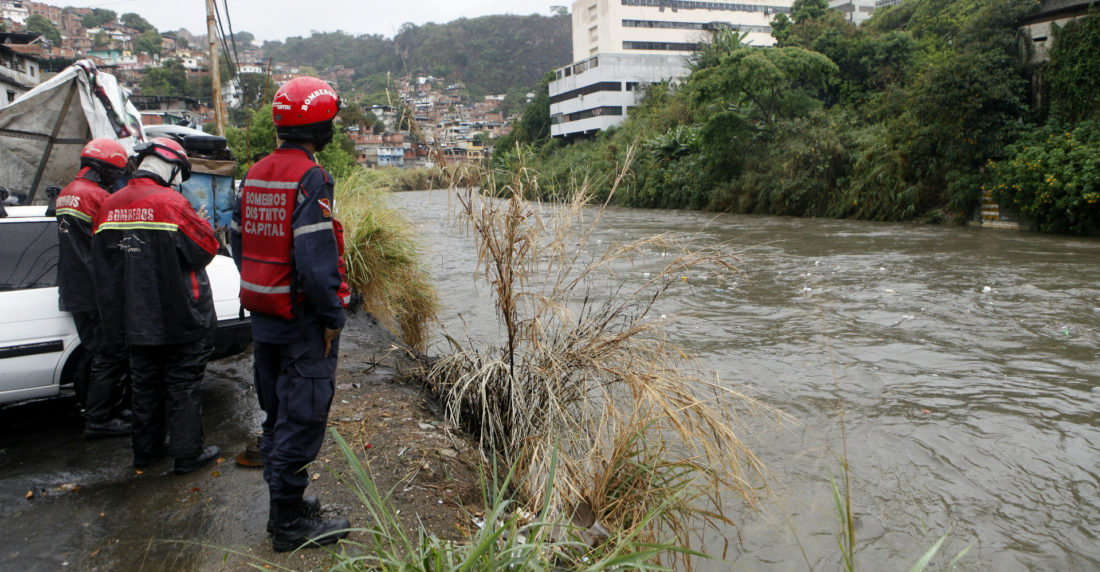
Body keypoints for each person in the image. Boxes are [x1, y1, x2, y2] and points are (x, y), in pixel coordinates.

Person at [230, 76, 351, 552]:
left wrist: (266, 290)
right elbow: (317, 260)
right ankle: (287, 525)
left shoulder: (255, 171)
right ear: (318, 124)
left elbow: (238, 241)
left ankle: (290, 505)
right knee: (302, 419)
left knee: (278, 413)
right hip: (302, 321)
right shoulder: (310, 177)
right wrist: (332, 318)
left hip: (265, 316)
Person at [92, 137, 221, 475]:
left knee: (144, 386)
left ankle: (146, 453)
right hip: (179, 315)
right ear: (174, 168)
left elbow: (105, 265)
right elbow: (204, 249)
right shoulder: (171, 204)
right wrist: (203, 222)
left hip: (132, 320)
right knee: (183, 384)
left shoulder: (108, 206)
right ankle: (187, 454)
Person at [55, 138, 132, 439]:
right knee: (110, 353)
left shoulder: (66, 194)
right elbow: (114, 245)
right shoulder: (98, 198)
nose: (117, 180)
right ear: (105, 170)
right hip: (98, 288)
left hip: (74, 288)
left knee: (94, 351)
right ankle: (101, 417)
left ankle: (108, 408)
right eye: (116, 174)